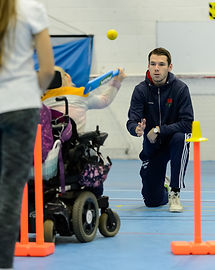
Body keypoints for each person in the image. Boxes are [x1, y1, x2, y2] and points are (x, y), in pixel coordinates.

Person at [0, 0, 54, 268]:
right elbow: (47, 70)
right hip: (20, 108)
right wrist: (30, 92)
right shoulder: (31, 9)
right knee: (10, 190)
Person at [126, 47, 194, 212]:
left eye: (161, 64)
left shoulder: (180, 89)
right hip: (152, 146)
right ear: (148, 66)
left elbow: (187, 123)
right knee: (152, 201)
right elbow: (131, 121)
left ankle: (175, 193)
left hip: (173, 140)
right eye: (153, 64)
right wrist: (137, 129)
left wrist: (158, 130)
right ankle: (163, 187)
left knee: (182, 137)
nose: (157, 68)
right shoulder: (140, 90)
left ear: (170, 67)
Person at [42, 66, 126, 133]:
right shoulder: (81, 94)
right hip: (76, 147)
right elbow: (105, 100)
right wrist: (117, 81)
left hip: (49, 147)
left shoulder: (41, 102)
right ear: (68, 78)